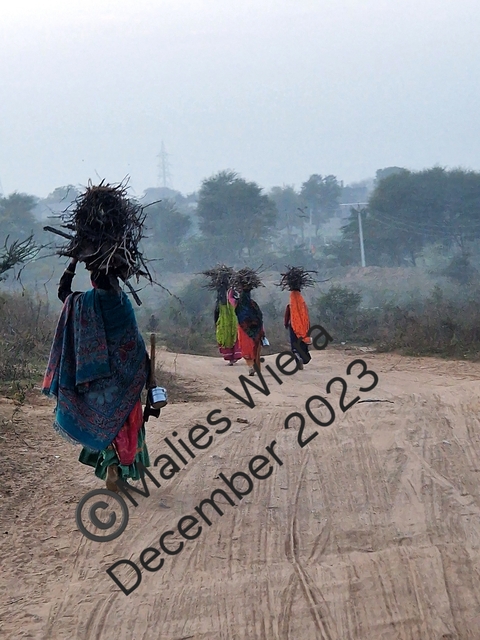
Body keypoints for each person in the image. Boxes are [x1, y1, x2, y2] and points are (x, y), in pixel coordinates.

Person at [42, 257, 152, 492]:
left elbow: (63, 291)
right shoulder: (122, 303)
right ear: (116, 281)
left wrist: (73, 262)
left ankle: (111, 464)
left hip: (95, 379)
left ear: (93, 280)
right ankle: (119, 468)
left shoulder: (82, 303)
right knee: (126, 421)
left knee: (103, 420)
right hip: (125, 379)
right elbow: (135, 342)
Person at [229, 285, 265, 376]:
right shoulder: (253, 304)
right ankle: (257, 367)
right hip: (256, 330)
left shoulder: (237, 304)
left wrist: (231, 289)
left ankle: (250, 367)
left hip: (243, 330)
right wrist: (262, 330)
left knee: (246, 349)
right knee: (256, 349)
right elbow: (260, 317)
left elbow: (230, 298)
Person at [214, 281, 242, 365]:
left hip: (228, 323)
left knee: (228, 339)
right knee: (232, 339)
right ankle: (232, 358)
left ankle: (231, 358)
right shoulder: (232, 300)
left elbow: (216, 313)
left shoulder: (225, 300)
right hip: (229, 322)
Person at [284, 288, 312, 370]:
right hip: (303, 328)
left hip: (293, 327)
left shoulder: (290, 306)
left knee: (294, 344)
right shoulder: (303, 305)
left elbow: (286, 317)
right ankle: (302, 358)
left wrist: (286, 324)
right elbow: (306, 317)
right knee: (302, 344)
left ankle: (297, 356)